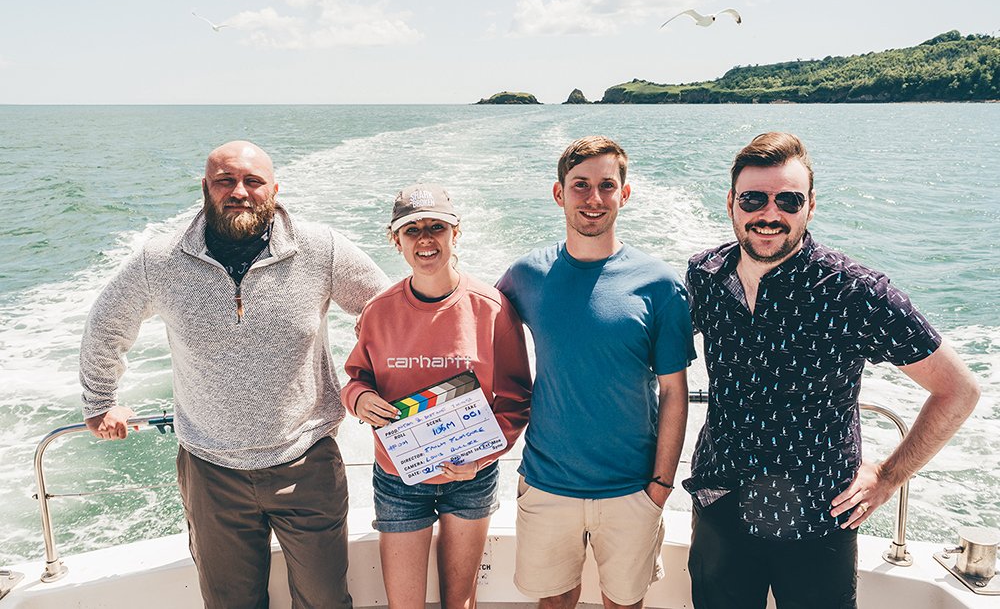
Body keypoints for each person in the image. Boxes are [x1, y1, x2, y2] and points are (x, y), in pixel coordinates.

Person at [80, 140, 390, 609]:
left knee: (326, 601)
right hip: (210, 471)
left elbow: (383, 312)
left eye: (252, 181)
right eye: (225, 181)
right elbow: (106, 324)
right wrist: (100, 401)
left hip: (306, 463)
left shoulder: (320, 249)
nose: (239, 191)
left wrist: (367, 382)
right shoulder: (159, 261)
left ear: (274, 189)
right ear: (206, 188)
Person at [683, 132, 981, 609]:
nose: (769, 214)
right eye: (753, 199)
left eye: (789, 200)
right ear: (732, 204)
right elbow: (653, 356)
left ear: (810, 207)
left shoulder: (854, 292)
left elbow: (958, 390)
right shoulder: (705, 276)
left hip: (819, 518)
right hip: (722, 504)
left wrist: (888, 475)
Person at [497, 136, 696, 609]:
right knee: (554, 602)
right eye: (580, 185)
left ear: (624, 194)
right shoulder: (525, 276)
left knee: (624, 603)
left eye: (606, 185)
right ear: (558, 192)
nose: (593, 198)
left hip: (632, 488)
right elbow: (473, 329)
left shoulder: (661, 286)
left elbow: (674, 393)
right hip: (546, 483)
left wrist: (660, 486)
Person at [342, 183, 531, 609]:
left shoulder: (492, 308)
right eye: (412, 231)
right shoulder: (378, 310)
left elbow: (517, 399)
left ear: (455, 234)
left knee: (459, 603)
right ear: (396, 241)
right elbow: (355, 378)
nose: (425, 239)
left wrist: (481, 457)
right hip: (399, 478)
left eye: (436, 228)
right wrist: (360, 399)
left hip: (471, 477)